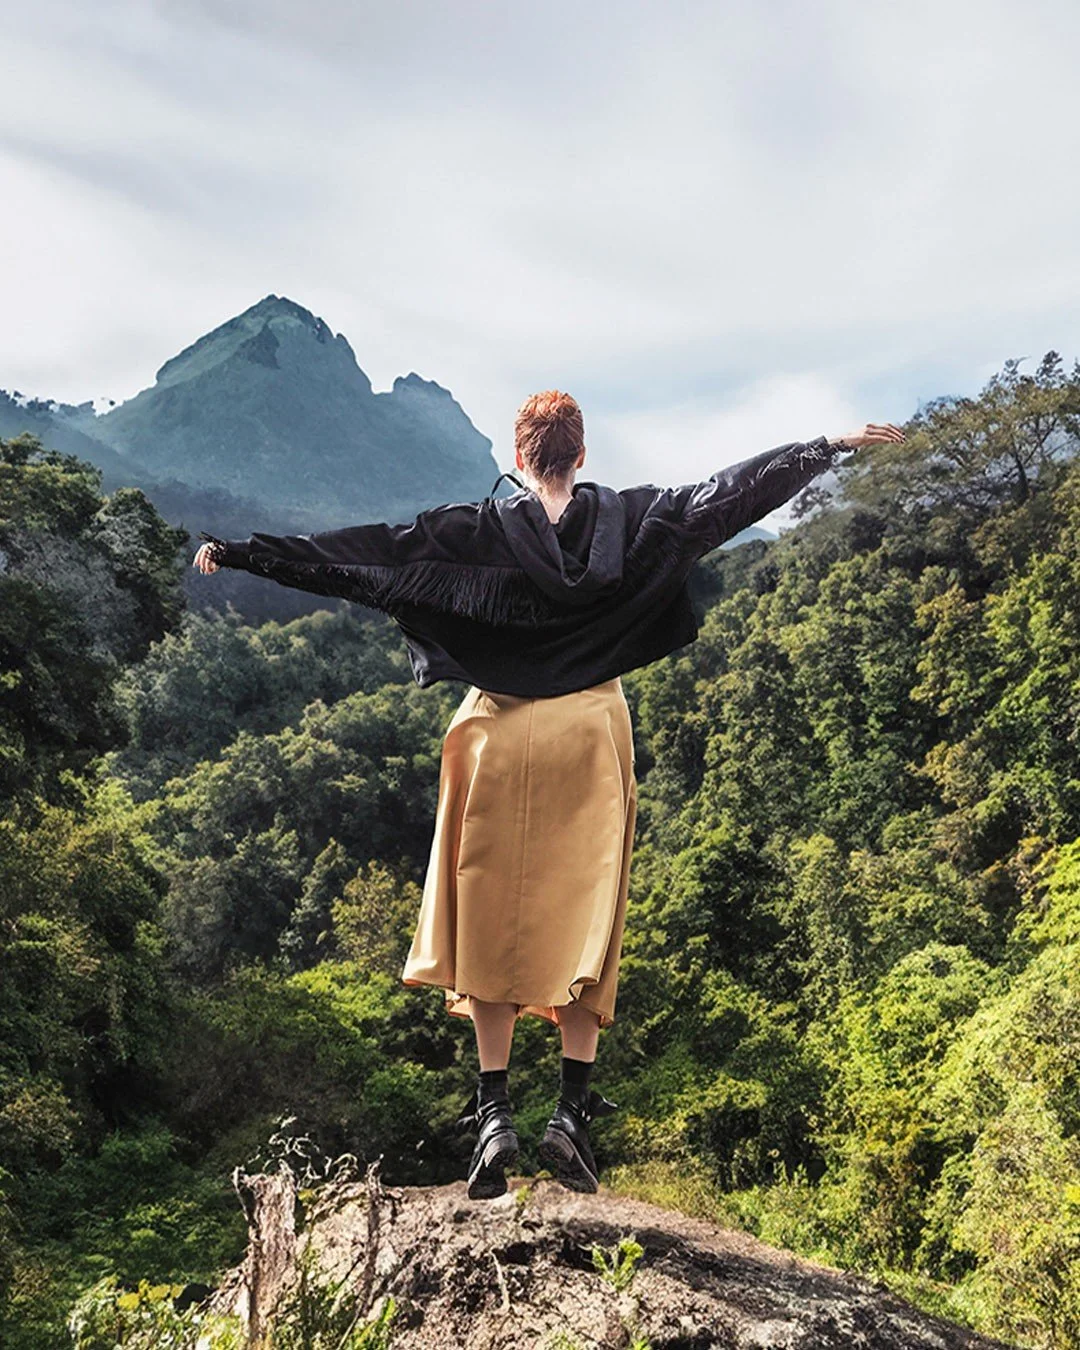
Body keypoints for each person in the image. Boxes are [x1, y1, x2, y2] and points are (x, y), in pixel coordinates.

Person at [194, 392, 905, 1201]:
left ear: (521, 456)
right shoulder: (636, 521)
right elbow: (732, 495)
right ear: (582, 454)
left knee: (492, 918)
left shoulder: (474, 531)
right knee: (583, 924)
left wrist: (244, 553)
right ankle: (570, 1114)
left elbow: (359, 558)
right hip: (590, 732)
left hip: (497, 731)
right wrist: (829, 445)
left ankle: (493, 1113)